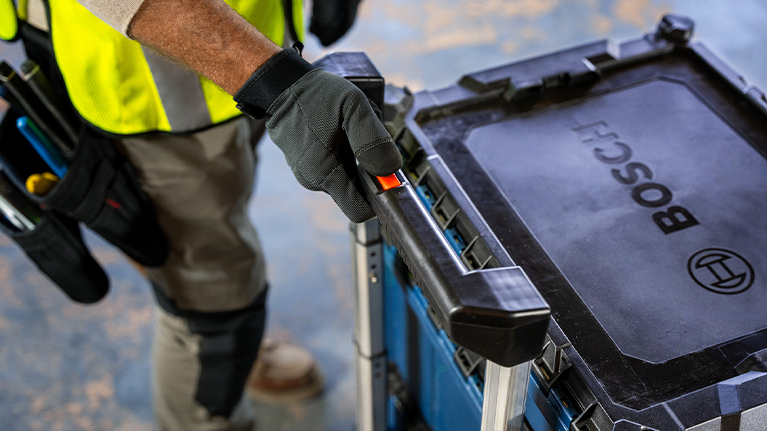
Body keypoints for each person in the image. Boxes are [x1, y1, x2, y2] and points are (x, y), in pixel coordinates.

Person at [10, 0, 401, 430]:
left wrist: (267, 71)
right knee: (211, 303)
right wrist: (274, 80)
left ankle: (236, 356)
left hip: (249, 54)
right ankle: (207, 397)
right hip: (151, 92)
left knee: (217, 219)